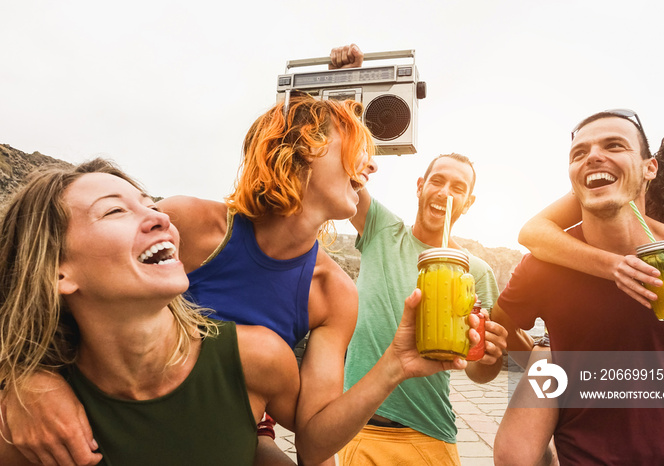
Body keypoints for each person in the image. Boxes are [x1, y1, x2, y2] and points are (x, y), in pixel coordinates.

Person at [2, 57, 484, 465]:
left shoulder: (332, 292)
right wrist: (25, 382)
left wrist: (395, 365)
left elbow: (314, 442)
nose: (371, 165)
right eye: (356, 149)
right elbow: (39, 287)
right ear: (300, 153)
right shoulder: (186, 224)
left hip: (237, 427)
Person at [0, 159, 300, 465]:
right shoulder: (31, 430)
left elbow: (315, 445)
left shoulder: (258, 357)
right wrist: (18, 384)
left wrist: (264, 443)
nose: (162, 219)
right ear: (57, 272)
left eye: (152, 206)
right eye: (114, 211)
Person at [491, 110, 664, 464]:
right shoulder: (545, 266)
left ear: (650, 168)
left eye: (614, 145)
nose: (594, 156)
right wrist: (547, 365)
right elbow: (500, 329)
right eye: (579, 153)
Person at [340, 153, 508, 465]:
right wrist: (355, 154)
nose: (445, 192)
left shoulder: (476, 271)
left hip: (428, 431)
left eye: (458, 188)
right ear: (420, 186)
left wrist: (489, 356)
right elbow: (344, 179)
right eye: (437, 181)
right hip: (359, 427)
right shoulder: (381, 228)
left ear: (468, 203)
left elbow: (477, 369)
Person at [518, 99, 664, 309]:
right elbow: (532, 232)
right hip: (605, 302)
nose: (595, 156)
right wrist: (614, 266)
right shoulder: (630, 175)